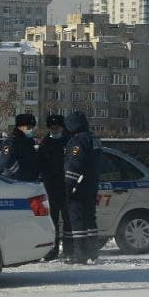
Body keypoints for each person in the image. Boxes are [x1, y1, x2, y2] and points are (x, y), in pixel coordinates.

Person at [63, 110, 102, 263]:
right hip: (91, 185)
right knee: (90, 220)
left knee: (77, 220)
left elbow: (74, 165)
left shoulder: (78, 141)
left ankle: (79, 254)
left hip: (78, 187)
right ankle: (92, 252)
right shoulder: (94, 139)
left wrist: (68, 186)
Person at [37, 113, 72, 262]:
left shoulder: (69, 141)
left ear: (62, 127)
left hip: (66, 186)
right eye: (51, 128)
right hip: (50, 187)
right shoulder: (45, 142)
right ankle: (52, 250)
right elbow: (40, 164)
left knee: (68, 220)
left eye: (56, 127)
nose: (54, 131)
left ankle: (70, 250)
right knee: (52, 222)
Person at [1, 113, 40, 181]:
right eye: (29, 127)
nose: (31, 130)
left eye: (32, 127)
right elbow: (7, 163)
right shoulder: (9, 142)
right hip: (17, 182)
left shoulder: (28, 142)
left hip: (30, 182)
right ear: (20, 127)